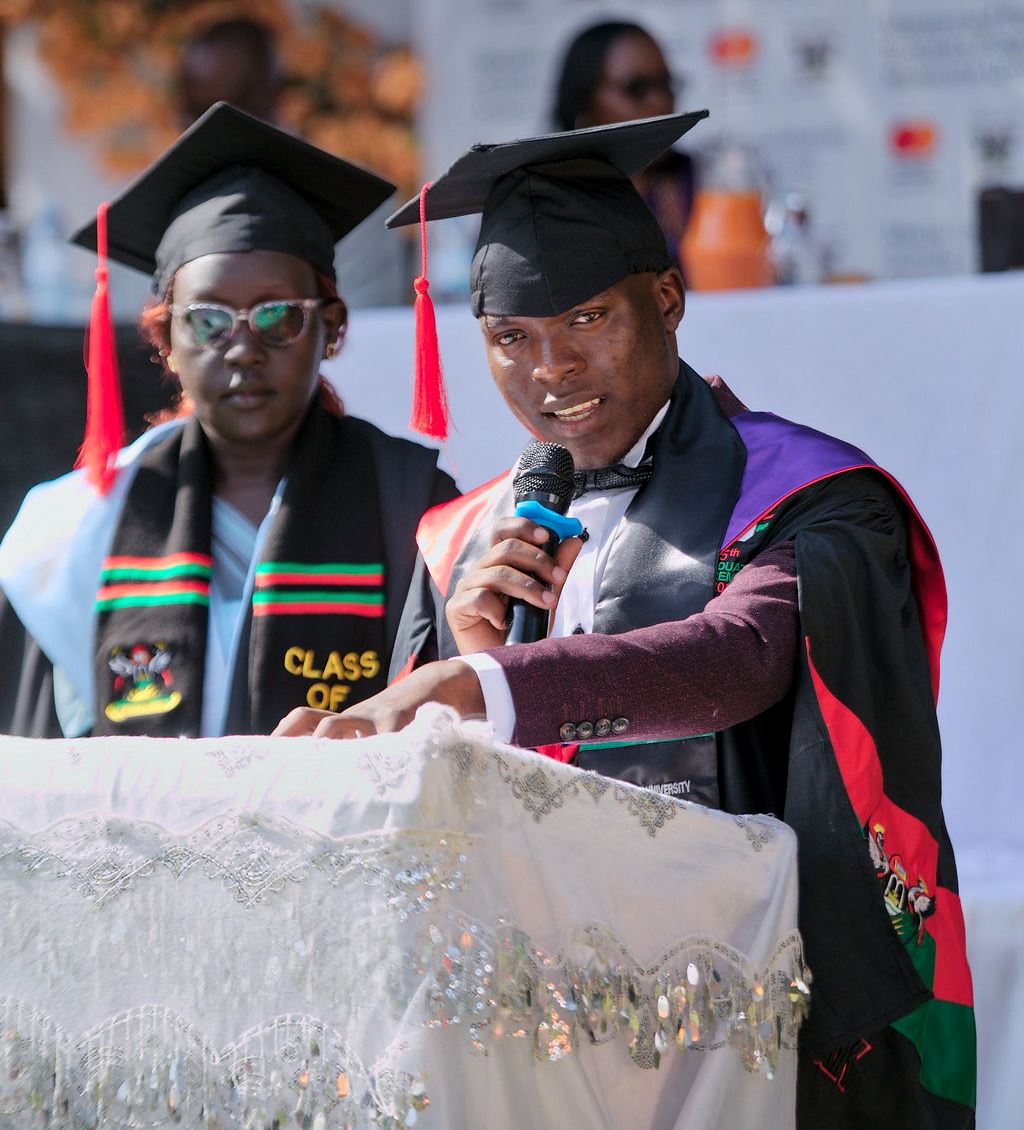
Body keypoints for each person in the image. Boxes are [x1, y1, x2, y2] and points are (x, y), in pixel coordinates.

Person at [275, 112, 976, 1128]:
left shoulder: (815, 496)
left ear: (667, 299)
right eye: (511, 336)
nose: (549, 368)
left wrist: (488, 684)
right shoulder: (463, 540)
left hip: (753, 1015)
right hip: (533, 1034)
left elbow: (738, 657)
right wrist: (469, 661)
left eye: (587, 321)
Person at [0, 102, 456, 739]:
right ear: (165, 343)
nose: (243, 349)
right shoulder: (82, 524)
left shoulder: (412, 500)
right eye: (208, 321)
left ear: (331, 328)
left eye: (278, 317)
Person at [553, 20, 695, 271]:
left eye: (666, 85)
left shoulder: (698, 179)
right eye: (637, 88)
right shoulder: (547, 199)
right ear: (584, 102)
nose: (661, 102)